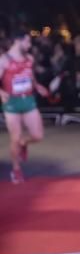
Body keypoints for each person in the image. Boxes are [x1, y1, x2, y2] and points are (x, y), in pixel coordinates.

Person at [1, 32, 50, 183]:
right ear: (17, 41)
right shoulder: (4, 60)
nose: (30, 45)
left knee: (37, 136)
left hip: (28, 100)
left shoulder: (30, 58)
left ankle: (24, 143)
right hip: (12, 103)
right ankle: (16, 170)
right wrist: (1, 92)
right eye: (27, 42)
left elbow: (30, 75)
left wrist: (37, 86)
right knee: (14, 138)